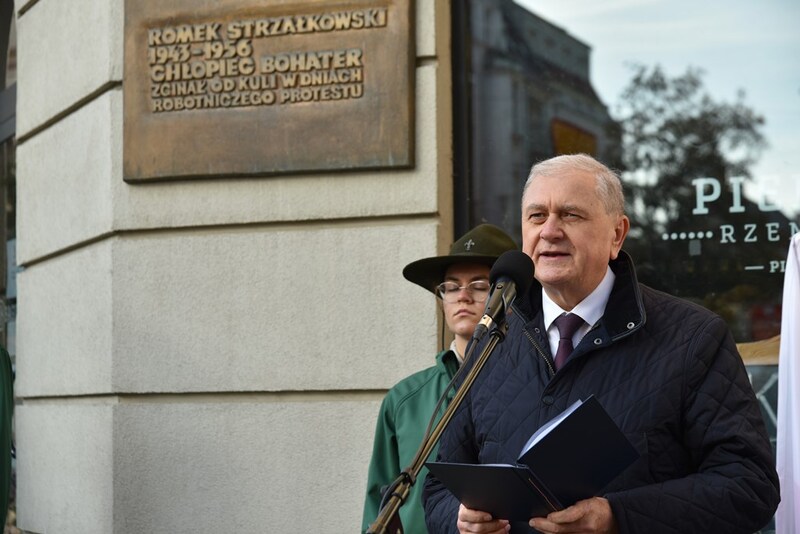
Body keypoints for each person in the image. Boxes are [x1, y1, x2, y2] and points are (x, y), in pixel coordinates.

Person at [423, 154, 780, 534]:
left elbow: (749, 486)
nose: (550, 231)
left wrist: (618, 517)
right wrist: (459, 520)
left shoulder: (694, 337)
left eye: (571, 215)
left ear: (617, 234)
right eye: (537, 216)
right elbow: (437, 488)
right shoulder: (492, 337)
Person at [362, 224, 518, 534]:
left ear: (511, 297)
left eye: (479, 285)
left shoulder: (533, 386)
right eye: (451, 286)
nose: (462, 295)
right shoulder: (405, 399)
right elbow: (379, 506)